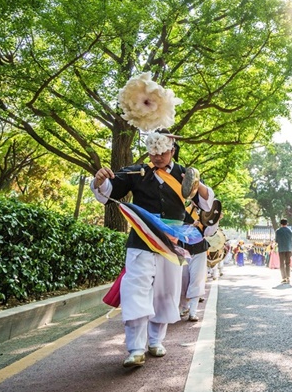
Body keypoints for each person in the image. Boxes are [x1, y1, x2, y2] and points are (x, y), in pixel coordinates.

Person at [91, 129, 217, 369]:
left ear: (172, 150)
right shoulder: (137, 171)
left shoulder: (183, 174)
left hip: (170, 243)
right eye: (153, 152)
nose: (157, 157)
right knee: (136, 289)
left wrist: (198, 185)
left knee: (165, 292)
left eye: (162, 152)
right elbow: (108, 191)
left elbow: (207, 202)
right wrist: (99, 180)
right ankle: (135, 349)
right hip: (141, 239)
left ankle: (156, 341)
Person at [274, 219, 292, 284]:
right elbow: (291, 239)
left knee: (282, 264)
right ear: (287, 223)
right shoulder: (290, 231)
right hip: (289, 249)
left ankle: (284, 278)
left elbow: (276, 240)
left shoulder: (278, 231)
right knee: (288, 263)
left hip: (281, 249)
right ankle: (288, 277)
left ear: (280, 224)